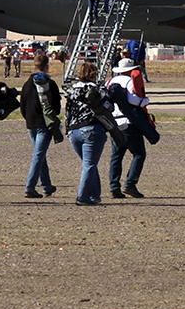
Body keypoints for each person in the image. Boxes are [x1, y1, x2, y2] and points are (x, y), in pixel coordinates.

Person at [64, 60, 124, 206]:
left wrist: (67, 129)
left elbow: (67, 112)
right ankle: (82, 197)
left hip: (74, 131)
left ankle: (95, 195)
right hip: (92, 129)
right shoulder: (98, 89)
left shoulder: (72, 90)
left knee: (89, 164)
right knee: (90, 165)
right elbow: (108, 108)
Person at [106, 59, 151, 198]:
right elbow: (133, 100)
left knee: (117, 155)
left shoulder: (110, 82)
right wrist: (145, 100)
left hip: (114, 122)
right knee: (139, 154)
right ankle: (130, 183)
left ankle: (114, 186)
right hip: (128, 122)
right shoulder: (129, 81)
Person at [19, 54, 62, 198]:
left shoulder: (27, 84)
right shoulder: (50, 83)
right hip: (44, 124)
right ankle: (29, 187)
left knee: (40, 155)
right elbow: (56, 106)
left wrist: (28, 119)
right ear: (46, 66)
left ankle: (46, 186)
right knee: (38, 155)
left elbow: (22, 105)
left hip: (31, 123)